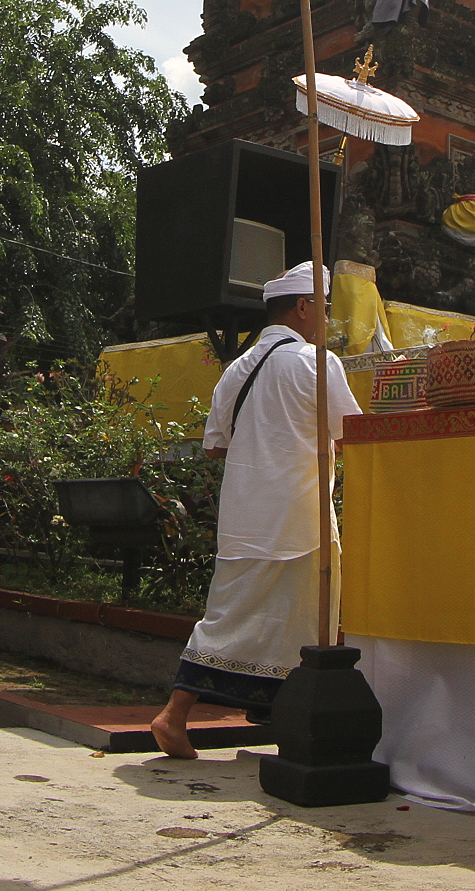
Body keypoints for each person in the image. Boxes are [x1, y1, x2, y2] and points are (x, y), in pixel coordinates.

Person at [148, 267, 362, 759]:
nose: (325, 317)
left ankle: (188, 714)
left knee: (230, 615)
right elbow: (351, 435)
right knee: (310, 620)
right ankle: (176, 715)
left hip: (245, 517)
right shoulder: (317, 363)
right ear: (303, 308)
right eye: (323, 306)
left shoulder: (236, 369)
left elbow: (215, 448)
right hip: (298, 517)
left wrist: (263, 448)